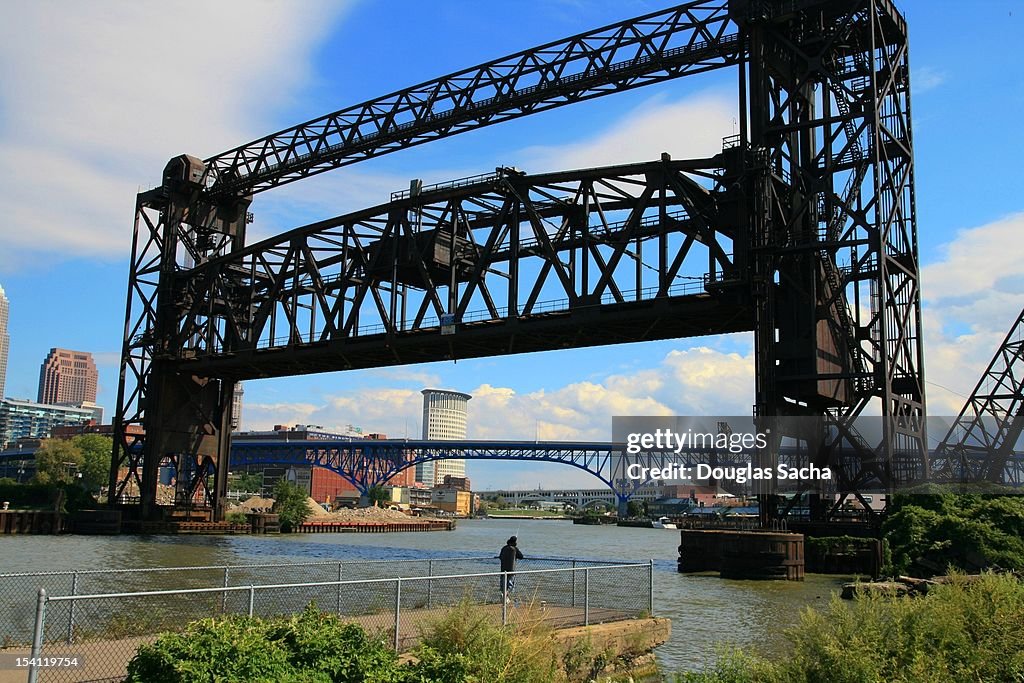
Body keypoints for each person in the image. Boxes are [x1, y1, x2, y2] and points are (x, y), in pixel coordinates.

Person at [498, 535, 524, 600]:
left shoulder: (503, 548)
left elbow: (500, 557)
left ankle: (504, 596)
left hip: (503, 569)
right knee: (510, 585)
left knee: (503, 584)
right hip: (511, 570)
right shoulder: (514, 549)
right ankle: (505, 596)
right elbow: (521, 556)